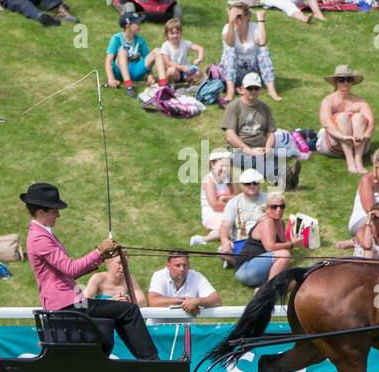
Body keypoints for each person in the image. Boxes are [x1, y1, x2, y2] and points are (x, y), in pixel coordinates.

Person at [22, 181, 159, 358]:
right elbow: (71, 269)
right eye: (55, 210)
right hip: (66, 305)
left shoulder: (43, 234)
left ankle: (139, 359)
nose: (58, 215)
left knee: (119, 309)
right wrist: (99, 251)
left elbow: (70, 270)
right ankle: (151, 361)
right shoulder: (39, 238)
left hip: (69, 302)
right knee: (128, 310)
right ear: (41, 212)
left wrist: (102, 256)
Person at [223, 72, 299, 190]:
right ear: (242, 89)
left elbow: (271, 133)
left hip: (261, 149)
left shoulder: (265, 108)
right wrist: (250, 151)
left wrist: (268, 149)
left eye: (256, 88)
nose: (253, 91)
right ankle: (282, 178)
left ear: (260, 90)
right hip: (239, 151)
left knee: (263, 160)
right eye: (249, 88)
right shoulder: (234, 107)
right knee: (257, 161)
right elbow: (230, 135)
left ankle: (287, 180)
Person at [235, 192, 303, 287]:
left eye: (282, 206)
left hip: (260, 268)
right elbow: (270, 247)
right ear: (267, 209)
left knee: (296, 278)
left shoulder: (280, 223)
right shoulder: (267, 221)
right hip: (246, 269)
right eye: (274, 207)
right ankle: (270, 289)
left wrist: (292, 240)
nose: (278, 210)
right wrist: (292, 244)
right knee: (285, 255)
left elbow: (280, 248)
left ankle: (263, 288)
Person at [317, 65, 373, 175]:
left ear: (352, 82)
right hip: (334, 144)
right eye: (342, 80)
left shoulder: (360, 102)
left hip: (359, 145)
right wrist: (342, 136)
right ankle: (350, 161)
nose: (346, 83)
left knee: (359, 117)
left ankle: (358, 160)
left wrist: (366, 135)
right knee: (342, 117)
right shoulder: (328, 100)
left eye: (349, 79)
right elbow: (326, 123)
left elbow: (371, 123)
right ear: (336, 82)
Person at [220, 2, 280, 101]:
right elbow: (230, 43)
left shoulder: (255, 27)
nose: (235, 19)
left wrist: (261, 20)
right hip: (234, 70)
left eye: (238, 16)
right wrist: (231, 23)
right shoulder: (227, 28)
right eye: (232, 15)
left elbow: (262, 42)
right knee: (229, 50)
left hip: (252, 69)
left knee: (264, 50)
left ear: (247, 16)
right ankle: (230, 91)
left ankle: (271, 90)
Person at [148, 251, 222, 316]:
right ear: (168, 266)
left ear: (189, 265)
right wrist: (184, 302)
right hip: (158, 328)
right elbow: (153, 301)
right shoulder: (159, 275)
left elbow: (216, 301)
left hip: (186, 328)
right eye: (177, 265)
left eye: (185, 265)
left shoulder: (197, 277)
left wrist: (197, 301)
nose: (182, 269)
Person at [219, 169, 267, 267]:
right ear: (241, 185)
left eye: (255, 183)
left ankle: (238, 263)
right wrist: (225, 241)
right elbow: (225, 226)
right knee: (223, 250)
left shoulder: (268, 199)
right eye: (248, 183)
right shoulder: (233, 203)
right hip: (241, 243)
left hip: (263, 242)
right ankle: (242, 263)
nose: (252, 186)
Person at [105, 12, 160, 95]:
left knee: (157, 51)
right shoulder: (116, 38)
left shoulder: (141, 41)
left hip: (135, 71)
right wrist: (111, 79)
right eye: (137, 24)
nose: (140, 26)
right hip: (120, 72)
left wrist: (150, 75)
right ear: (128, 26)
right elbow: (108, 61)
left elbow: (148, 60)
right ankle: (129, 86)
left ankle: (163, 84)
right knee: (122, 52)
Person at [192, 149, 234, 246]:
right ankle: (204, 239)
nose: (224, 169)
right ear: (212, 165)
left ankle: (216, 233)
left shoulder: (229, 177)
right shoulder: (209, 180)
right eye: (221, 166)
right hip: (212, 214)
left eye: (227, 166)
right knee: (233, 228)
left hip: (227, 212)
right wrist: (232, 205)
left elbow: (236, 196)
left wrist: (225, 198)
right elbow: (215, 205)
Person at [158, 18, 204, 86]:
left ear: (181, 33)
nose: (175, 35)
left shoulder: (184, 43)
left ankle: (191, 84)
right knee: (171, 71)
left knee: (199, 73)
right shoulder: (165, 46)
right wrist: (182, 68)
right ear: (166, 34)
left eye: (177, 33)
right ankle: (171, 84)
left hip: (186, 73)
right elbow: (168, 63)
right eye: (172, 33)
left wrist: (199, 59)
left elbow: (200, 48)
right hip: (175, 72)